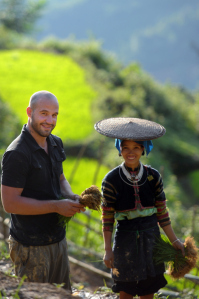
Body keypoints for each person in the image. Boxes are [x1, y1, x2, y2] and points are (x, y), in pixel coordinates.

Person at [1, 90, 85, 290]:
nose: (50, 120)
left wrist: (71, 196)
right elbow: (10, 203)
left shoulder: (55, 143)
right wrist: (57, 206)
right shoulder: (17, 153)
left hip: (58, 239)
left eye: (55, 115)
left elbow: (61, 178)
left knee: (62, 294)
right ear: (30, 112)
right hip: (30, 246)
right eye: (44, 113)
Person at [94, 117, 185, 299]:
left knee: (148, 290)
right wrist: (107, 249)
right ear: (119, 149)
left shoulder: (153, 176)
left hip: (151, 239)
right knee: (125, 290)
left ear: (143, 149)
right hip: (125, 240)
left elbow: (162, 212)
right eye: (125, 147)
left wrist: (174, 241)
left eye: (136, 147)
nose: (131, 152)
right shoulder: (111, 180)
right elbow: (107, 217)